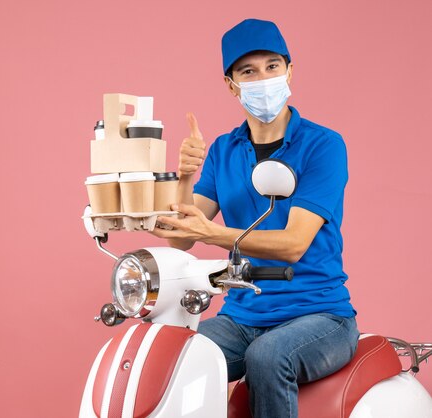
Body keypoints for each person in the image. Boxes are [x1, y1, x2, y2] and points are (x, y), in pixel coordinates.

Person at [152, 18, 359, 418]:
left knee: (267, 357)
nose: (262, 78)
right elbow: (180, 238)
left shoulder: (323, 146)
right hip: (242, 314)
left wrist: (213, 234)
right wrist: (184, 177)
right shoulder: (223, 151)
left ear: (289, 70)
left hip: (320, 315)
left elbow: (294, 244)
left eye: (272, 66)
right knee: (171, 354)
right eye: (248, 71)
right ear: (231, 84)